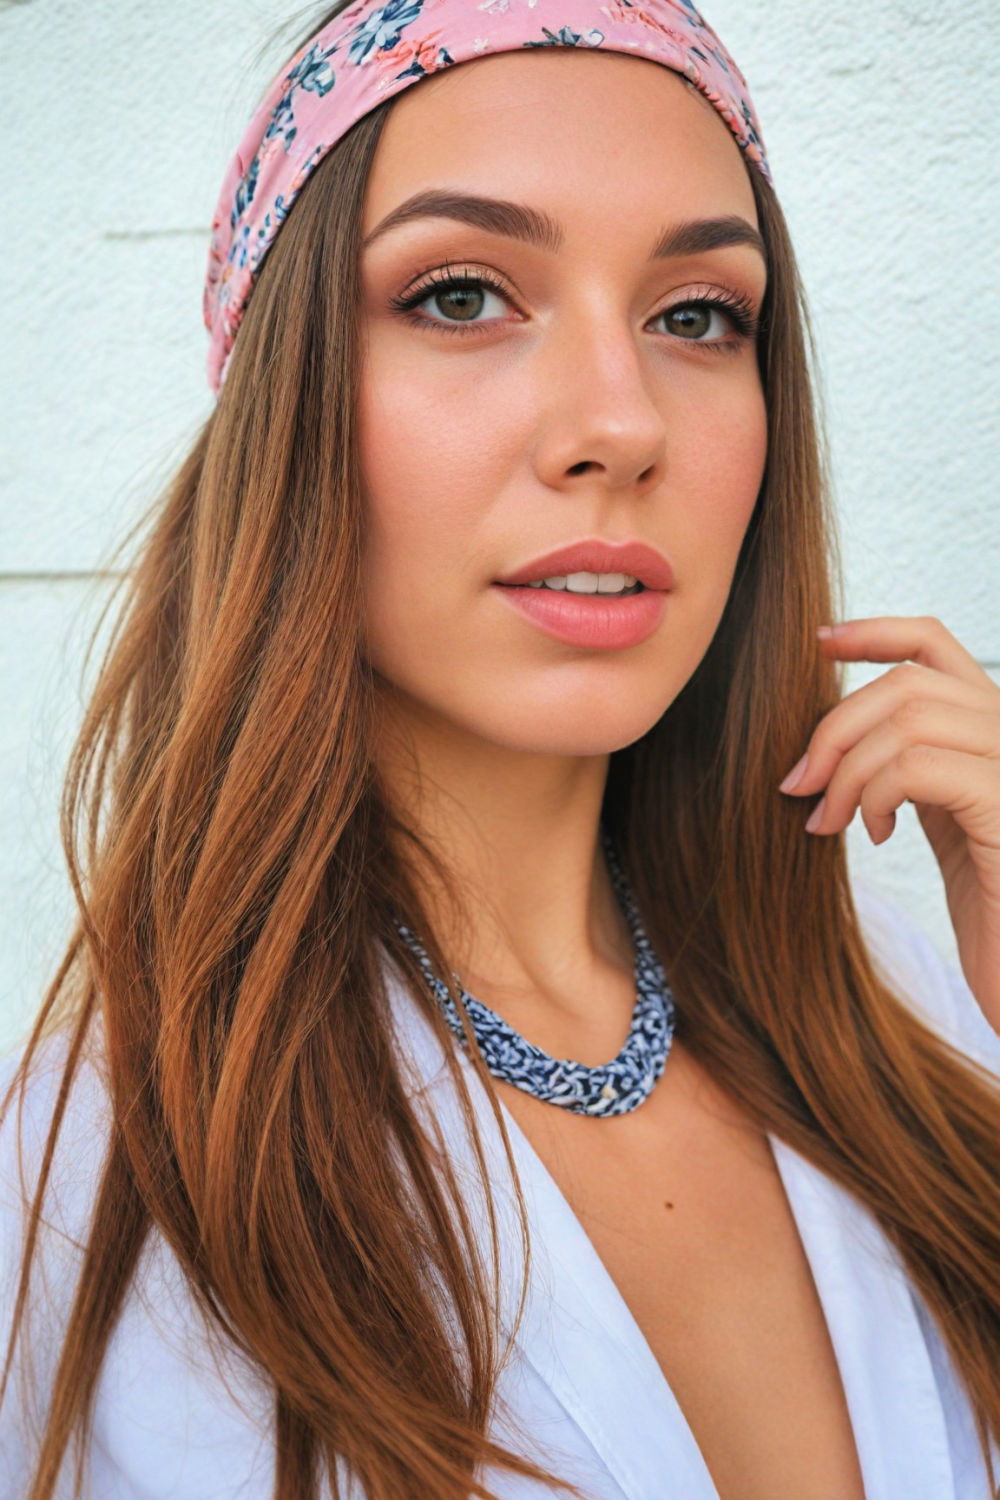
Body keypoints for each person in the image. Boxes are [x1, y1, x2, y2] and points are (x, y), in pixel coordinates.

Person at [3, 1, 1000, 1496]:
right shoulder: (96, 1189)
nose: (619, 420)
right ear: (289, 404)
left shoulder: (926, 1019)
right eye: (463, 295)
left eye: (697, 316)